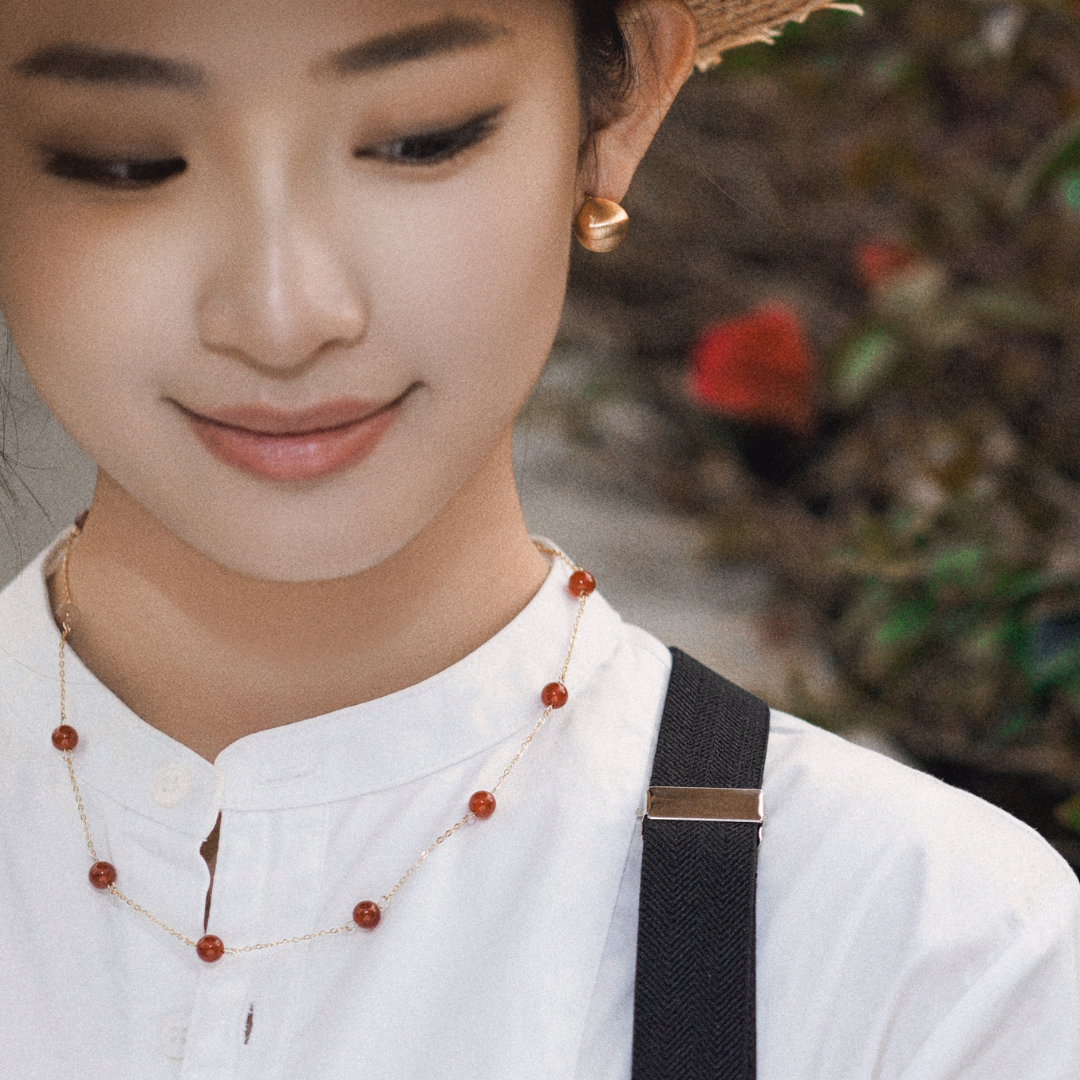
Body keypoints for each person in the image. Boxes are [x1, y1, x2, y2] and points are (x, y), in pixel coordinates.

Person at [0, 0, 1077, 1076]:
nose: (284, 315)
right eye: (124, 161)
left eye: (420, 138)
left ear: (623, 104)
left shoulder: (925, 960)